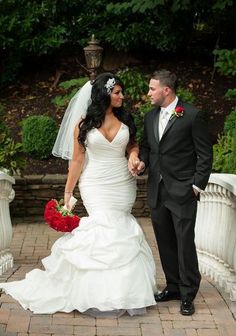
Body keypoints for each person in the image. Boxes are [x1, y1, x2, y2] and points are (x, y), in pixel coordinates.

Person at [0, 73, 157, 317]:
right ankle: (97, 293)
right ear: (104, 94)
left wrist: (134, 157)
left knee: (120, 227)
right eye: (117, 92)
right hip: (94, 182)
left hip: (122, 183)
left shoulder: (125, 118)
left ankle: (122, 291)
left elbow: (132, 145)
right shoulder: (84, 124)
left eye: (121, 92)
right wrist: (68, 191)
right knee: (103, 227)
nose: (122, 96)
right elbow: (77, 159)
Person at [131, 69, 213, 316]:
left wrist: (196, 186)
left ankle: (188, 294)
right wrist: (143, 162)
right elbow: (147, 147)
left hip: (183, 191)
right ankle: (173, 287)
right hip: (158, 189)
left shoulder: (192, 115)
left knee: (184, 243)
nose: (148, 93)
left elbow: (205, 154)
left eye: (152, 88)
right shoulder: (149, 117)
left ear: (166, 90)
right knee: (165, 242)